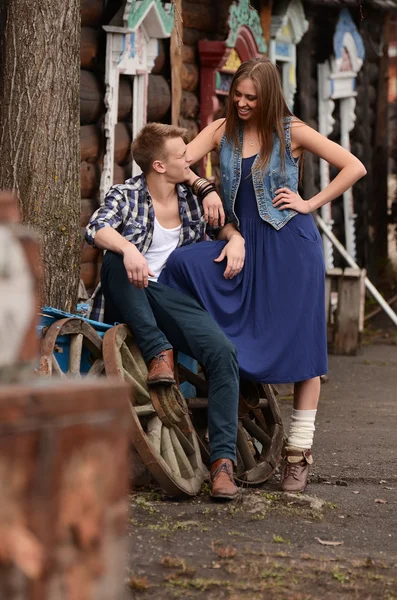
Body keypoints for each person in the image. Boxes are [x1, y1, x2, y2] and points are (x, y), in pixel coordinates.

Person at [159, 58, 367, 493]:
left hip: (291, 249)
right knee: (182, 266)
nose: (242, 102)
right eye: (238, 94)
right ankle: (185, 358)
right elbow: (177, 162)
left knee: (303, 348)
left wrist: (310, 203)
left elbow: (354, 166)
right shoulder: (221, 131)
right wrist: (204, 186)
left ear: (269, 96)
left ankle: (298, 452)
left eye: (252, 97)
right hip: (242, 244)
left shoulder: (292, 132)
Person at [85, 122, 245, 500]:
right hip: (131, 300)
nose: (189, 159)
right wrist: (128, 249)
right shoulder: (127, 195)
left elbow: (223, 227)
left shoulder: (192, 200)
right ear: (159, 165)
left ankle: (222, 464)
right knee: (114, 259)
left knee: (223, 354)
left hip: (173, 300)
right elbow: (96, 227)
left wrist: (235, 238)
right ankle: (159, 351)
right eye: (181, 155)